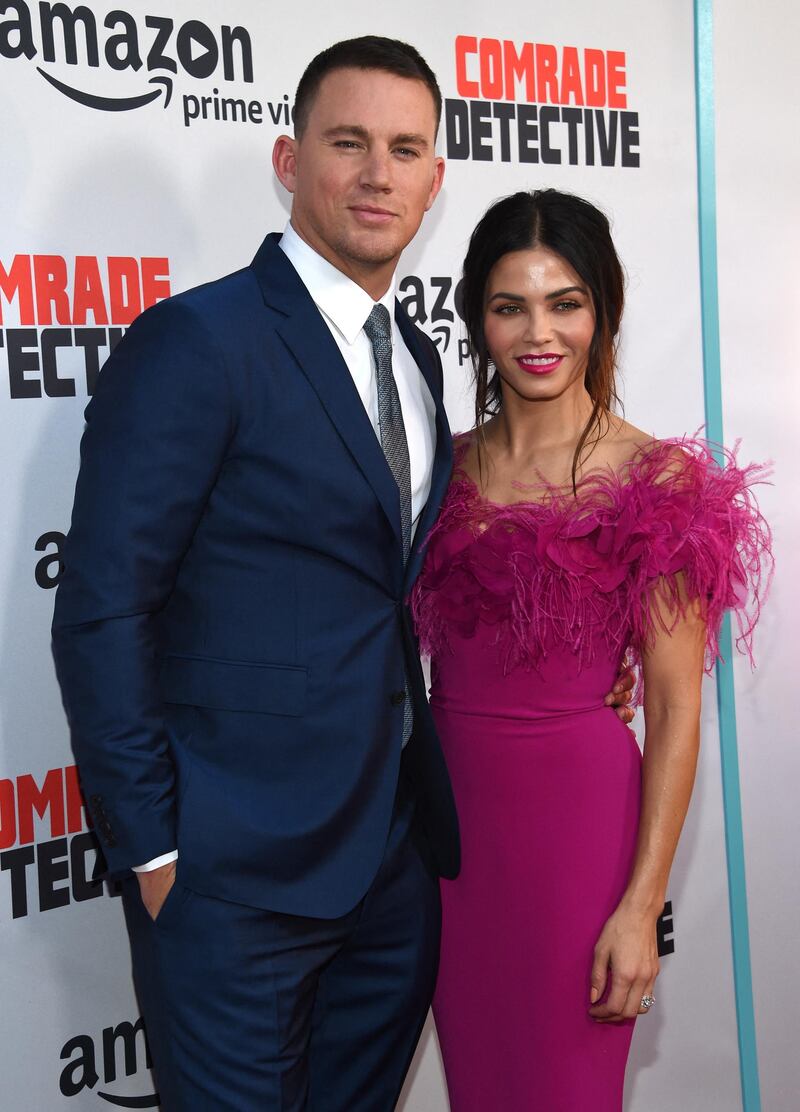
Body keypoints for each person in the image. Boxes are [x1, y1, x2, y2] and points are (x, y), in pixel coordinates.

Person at [51, 39, 634, 1111]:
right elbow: (102, 606)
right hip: (231, 881)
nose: (377, 173)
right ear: (287, 157)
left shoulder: (412, 357)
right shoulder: (196, 340)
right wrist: (156, 852)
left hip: (392, 870)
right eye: (348, 143)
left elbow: (399, 586)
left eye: (404, 148)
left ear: (433, 180)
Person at [410, 189, 771, 1111]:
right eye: (509, 305)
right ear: (477, 321)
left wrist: (641, 907)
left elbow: (679, 706)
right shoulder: (436, 470)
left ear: (603, 310)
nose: (540, 331)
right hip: (445, 843)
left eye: (566, 302)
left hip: (576, 840)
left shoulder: (658, 480)